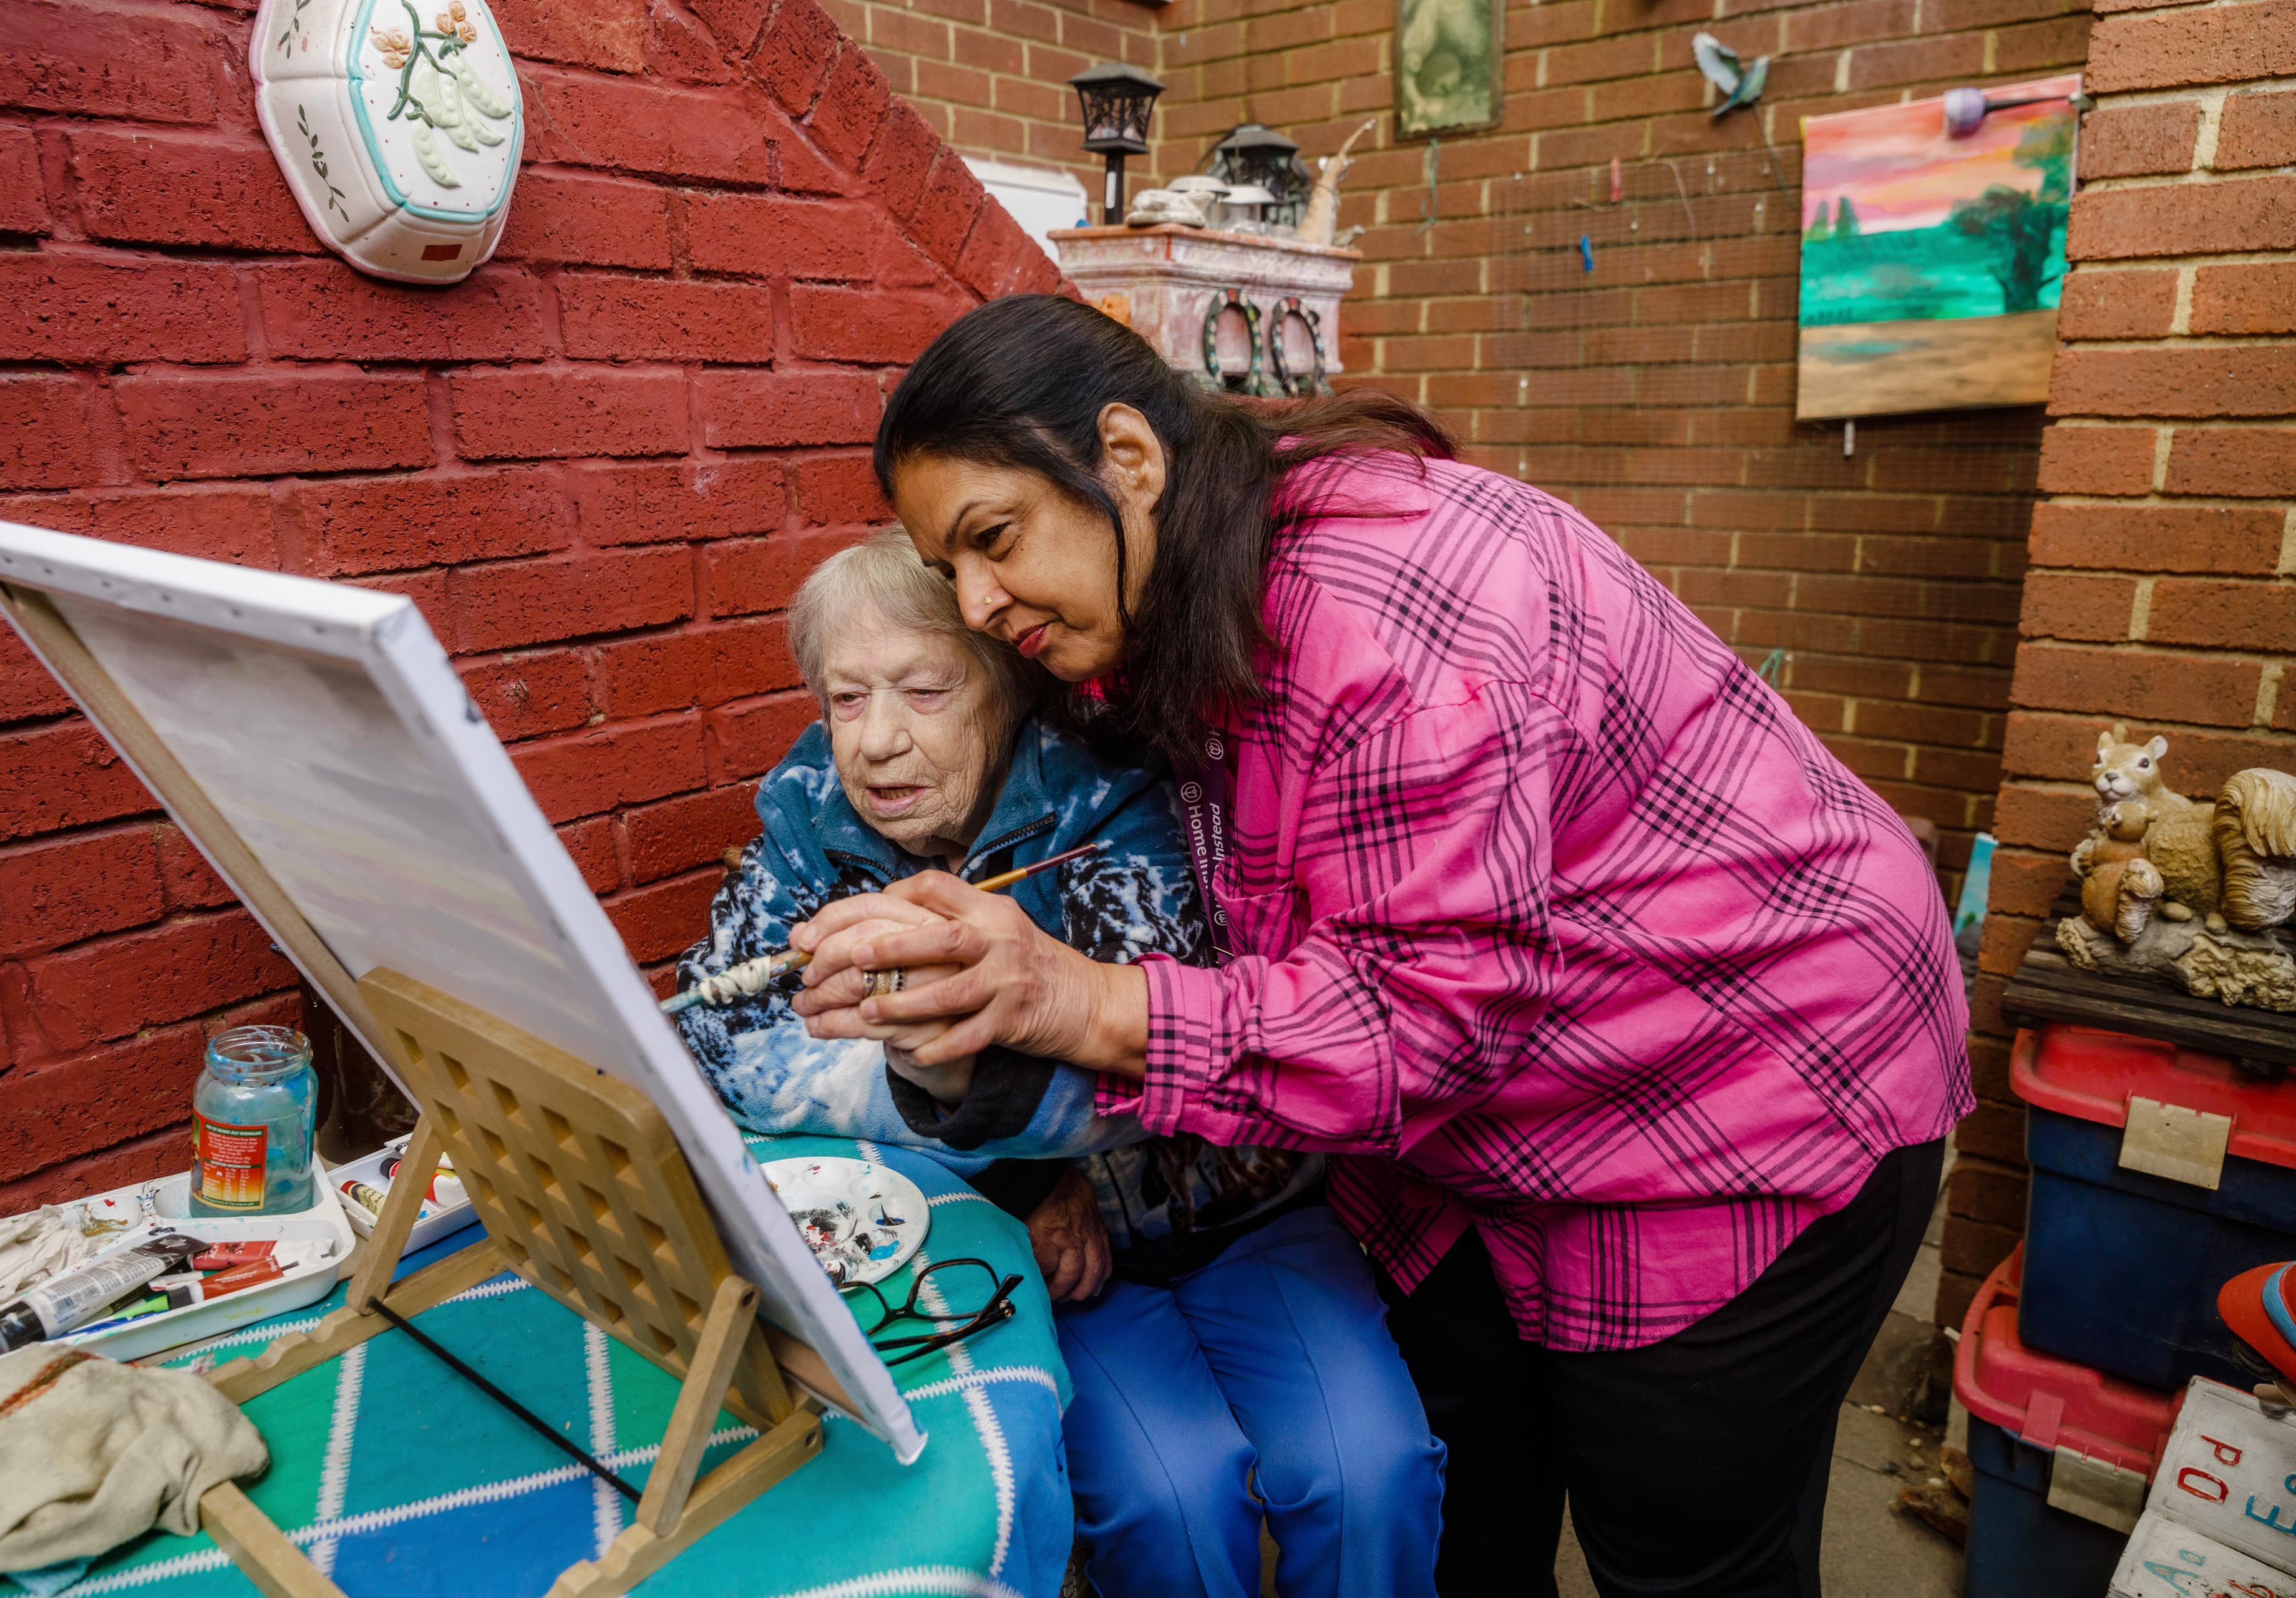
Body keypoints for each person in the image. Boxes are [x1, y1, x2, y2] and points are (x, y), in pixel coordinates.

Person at [785, 295, 1975, 1598]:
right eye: (946, 565)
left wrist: (1073, 996)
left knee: (1684, 1550)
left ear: (1126, 458)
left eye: (993, 540)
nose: (975, 599)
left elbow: (1420, 1029)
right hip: (1490, 1121)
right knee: (1471, 1499)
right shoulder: (1168, 576)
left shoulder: (1388, 634)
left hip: (1754, 1077)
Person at [671, 529, 1443, 1597]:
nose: (879, 742)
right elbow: (725, 1036)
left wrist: (975, 1087)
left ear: (1005, 686)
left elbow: (1158, 1053)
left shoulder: (1112, 795)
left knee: (1370, 1471)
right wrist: (1010, 1161)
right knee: (1170, 1499)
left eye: (925, 691)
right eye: (847, 699)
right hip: (1056, 1256)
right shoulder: (810, 819)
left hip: (1243, 1205)